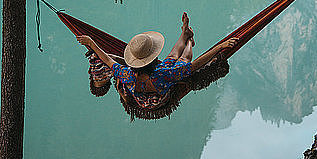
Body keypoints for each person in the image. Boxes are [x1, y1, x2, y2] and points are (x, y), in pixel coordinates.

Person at [77, 12, 236, 105]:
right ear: (152, 59)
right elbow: (195, 65)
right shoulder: (164, 74)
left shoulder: (127, 74)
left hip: (144, 89)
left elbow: (107, 60)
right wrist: (219, 47)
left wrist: (92, 42)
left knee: (173, 58)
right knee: (181, 59)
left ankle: (185, 34)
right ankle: (188, 40)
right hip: (160, 95)